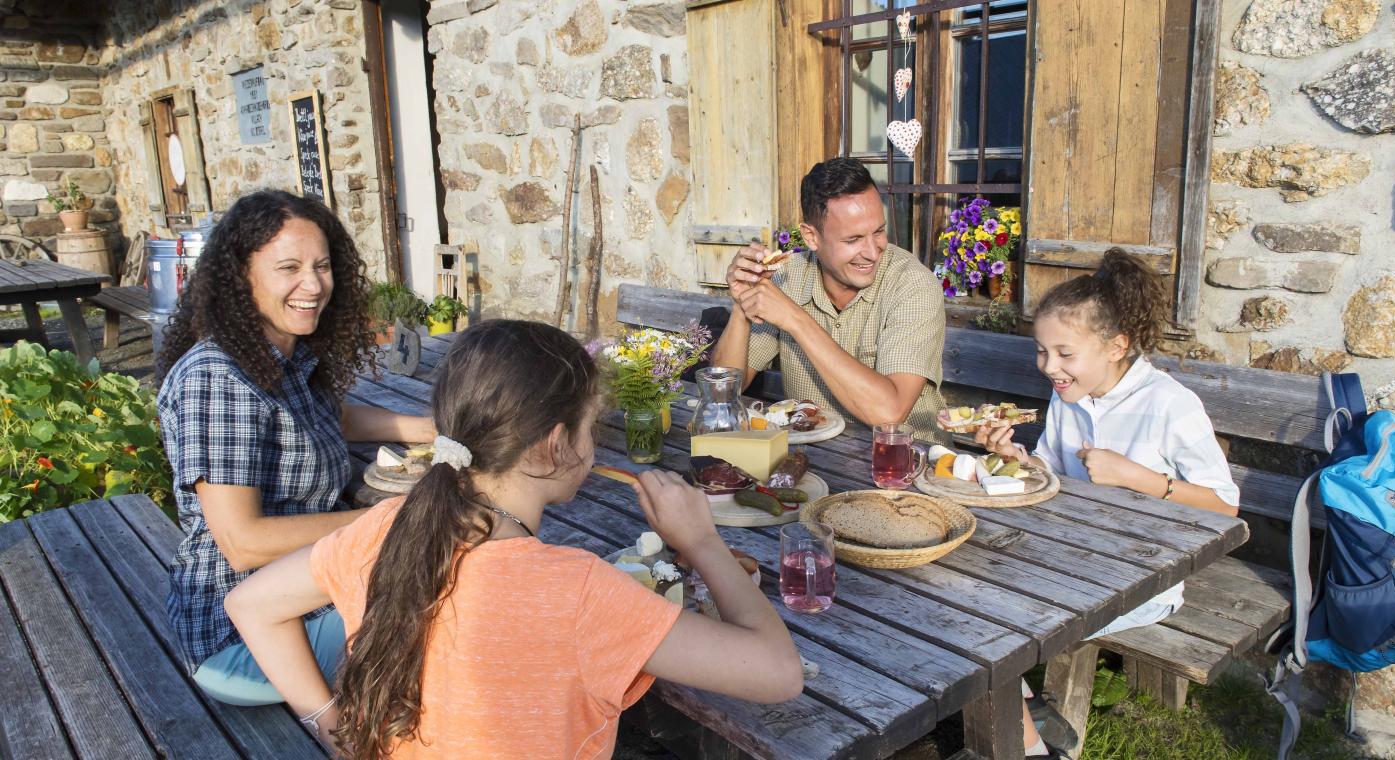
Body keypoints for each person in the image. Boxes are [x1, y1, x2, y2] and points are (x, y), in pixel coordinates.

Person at [225, 320, 803, 759]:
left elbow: (250, 604)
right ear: (555, 445)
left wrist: (328, 723)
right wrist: (703, 542)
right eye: (590, 427)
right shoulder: (576, 591)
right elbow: (778, 674)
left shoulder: (386, 525)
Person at [156, 189, 436, 706]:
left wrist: (434, 429)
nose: (313, 285)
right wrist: (400, 518)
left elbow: (338, 419)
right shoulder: (219, 379)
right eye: (289, 267)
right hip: (245, 641)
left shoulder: (284, 356)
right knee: (460, 602)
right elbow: (243, 541)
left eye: (323, 266)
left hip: (307, 596)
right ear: (241, 276)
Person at [977, 248, 1240, 758]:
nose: (1049, 367)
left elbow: (1226, 508)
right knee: (974, 595)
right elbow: (1050, 474)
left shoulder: (1169, 405)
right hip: (1074, 558)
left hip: (1145, 580)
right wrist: (1016, 458)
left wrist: (1139, 478)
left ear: (1116, 346)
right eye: (1041, 352)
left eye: (1064, 354)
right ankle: (1026, 708)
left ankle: (1028, 746)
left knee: (997, 626)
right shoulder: (1069, 394)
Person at [711, 157, 947, 440]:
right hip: (817, 458)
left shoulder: (913, 285)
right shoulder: (786, 278)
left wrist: (795, 320)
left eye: (879, 231)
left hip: (907, 465)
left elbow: (889, 413)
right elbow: (721, 393)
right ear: (811, 237)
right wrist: (742, 301)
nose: (873, 251)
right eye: (853, 239)